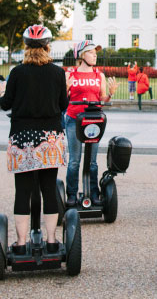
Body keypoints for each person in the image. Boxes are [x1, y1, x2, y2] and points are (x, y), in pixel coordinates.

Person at [0, 25, 67, 254]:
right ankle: (53, 240)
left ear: (26, 46)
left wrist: (2, 90)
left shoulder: (17, 72)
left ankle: (21, 243)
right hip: (50, 138)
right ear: (47, 46)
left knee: (23, 191)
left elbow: (5, 104)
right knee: (48, 188)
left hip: (22, 137)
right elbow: (63, 105)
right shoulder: (57, 73)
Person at [65, 40, 118, 207]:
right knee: (74, 160)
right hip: (74, 119)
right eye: (90, 52)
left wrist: (110, 94)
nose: (95, 55)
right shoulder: (70, 74)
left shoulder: (98, 75)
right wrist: (65, 89)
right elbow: (63, 100)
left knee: (92, 161)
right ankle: (71, 194)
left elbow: (102, 99)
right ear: (81, 55)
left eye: (95, 52)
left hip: (94, 121)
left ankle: (94, 192)